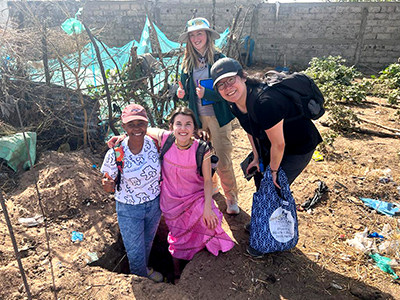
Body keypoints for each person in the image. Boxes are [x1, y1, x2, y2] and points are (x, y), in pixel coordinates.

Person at [210, 58, 323, 257]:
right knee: (258, 177)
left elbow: (280, 144)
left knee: (273, 186)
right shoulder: (235, 104)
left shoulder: (265, 102)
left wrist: (273, 171)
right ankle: (263, 221)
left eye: (231, 80)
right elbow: (250, 131)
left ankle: (266, 240)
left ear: (243, 77)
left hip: (298, 146)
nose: (227, 87)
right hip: (273, 143)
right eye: (221, 84)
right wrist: (256, 158)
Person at [147, 107, 235, 283]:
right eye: (178, 124)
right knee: (177, 236)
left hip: (195, 197)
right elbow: (144, 128)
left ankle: (201, 261)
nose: (183, 128)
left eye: (188, 124)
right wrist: (122, 137)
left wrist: (208, 208)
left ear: (194, 128)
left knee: (211, 220)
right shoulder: (165, 139)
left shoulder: (201, 148)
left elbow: (208, 181)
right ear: (171, 126)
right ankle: (177, 272)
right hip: (171, 202)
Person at [176, 17, 239, 215]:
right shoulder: (187, 63)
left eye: (199, 33)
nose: (196, 38)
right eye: (192, 35)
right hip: (199, 119)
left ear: (208, 36)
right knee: (205, 157)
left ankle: (231, 198)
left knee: (223, 159)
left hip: (218, 117)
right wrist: (179, 93)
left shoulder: (220, 60)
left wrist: (208, 94)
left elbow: (231, 89)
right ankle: (212, 188)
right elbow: (182, 89)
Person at [100, 103, 163, 282]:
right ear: (124, 126)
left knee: (147, 244)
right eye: (131, 124)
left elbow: (178, 135)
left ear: (147, 124)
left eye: (140, 123)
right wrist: (107, 184)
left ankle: (145, 270)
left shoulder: (154, 144)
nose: (136, 128)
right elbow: (107, 178)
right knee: (135, 253)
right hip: (128, 208)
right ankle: (142, 284)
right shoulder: (116, 152)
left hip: (154, 204)